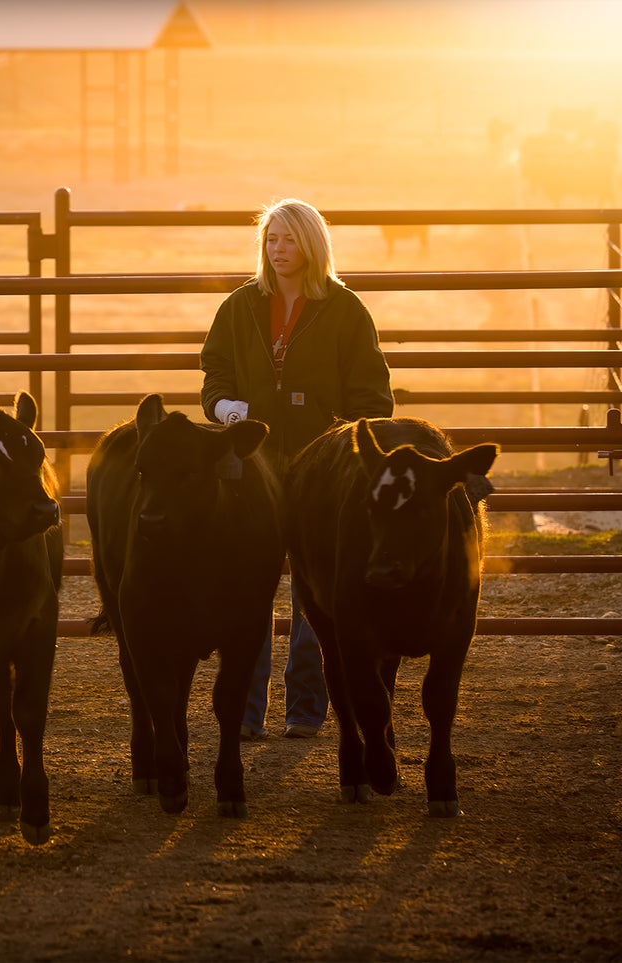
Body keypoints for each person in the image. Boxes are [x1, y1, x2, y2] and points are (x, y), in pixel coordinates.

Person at [199, 198, 393, 739]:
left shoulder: (346, 310)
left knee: (315, 596)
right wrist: (225, 409)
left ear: (312, 245)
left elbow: (373, 398)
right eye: (270, 240)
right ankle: (244, 709)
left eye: (288, 240)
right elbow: (213, 372)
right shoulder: (239, 307)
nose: (278, 250)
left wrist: (339, 447)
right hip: (254, 465)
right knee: (251, 589)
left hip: (320, 470)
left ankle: (305, 710)